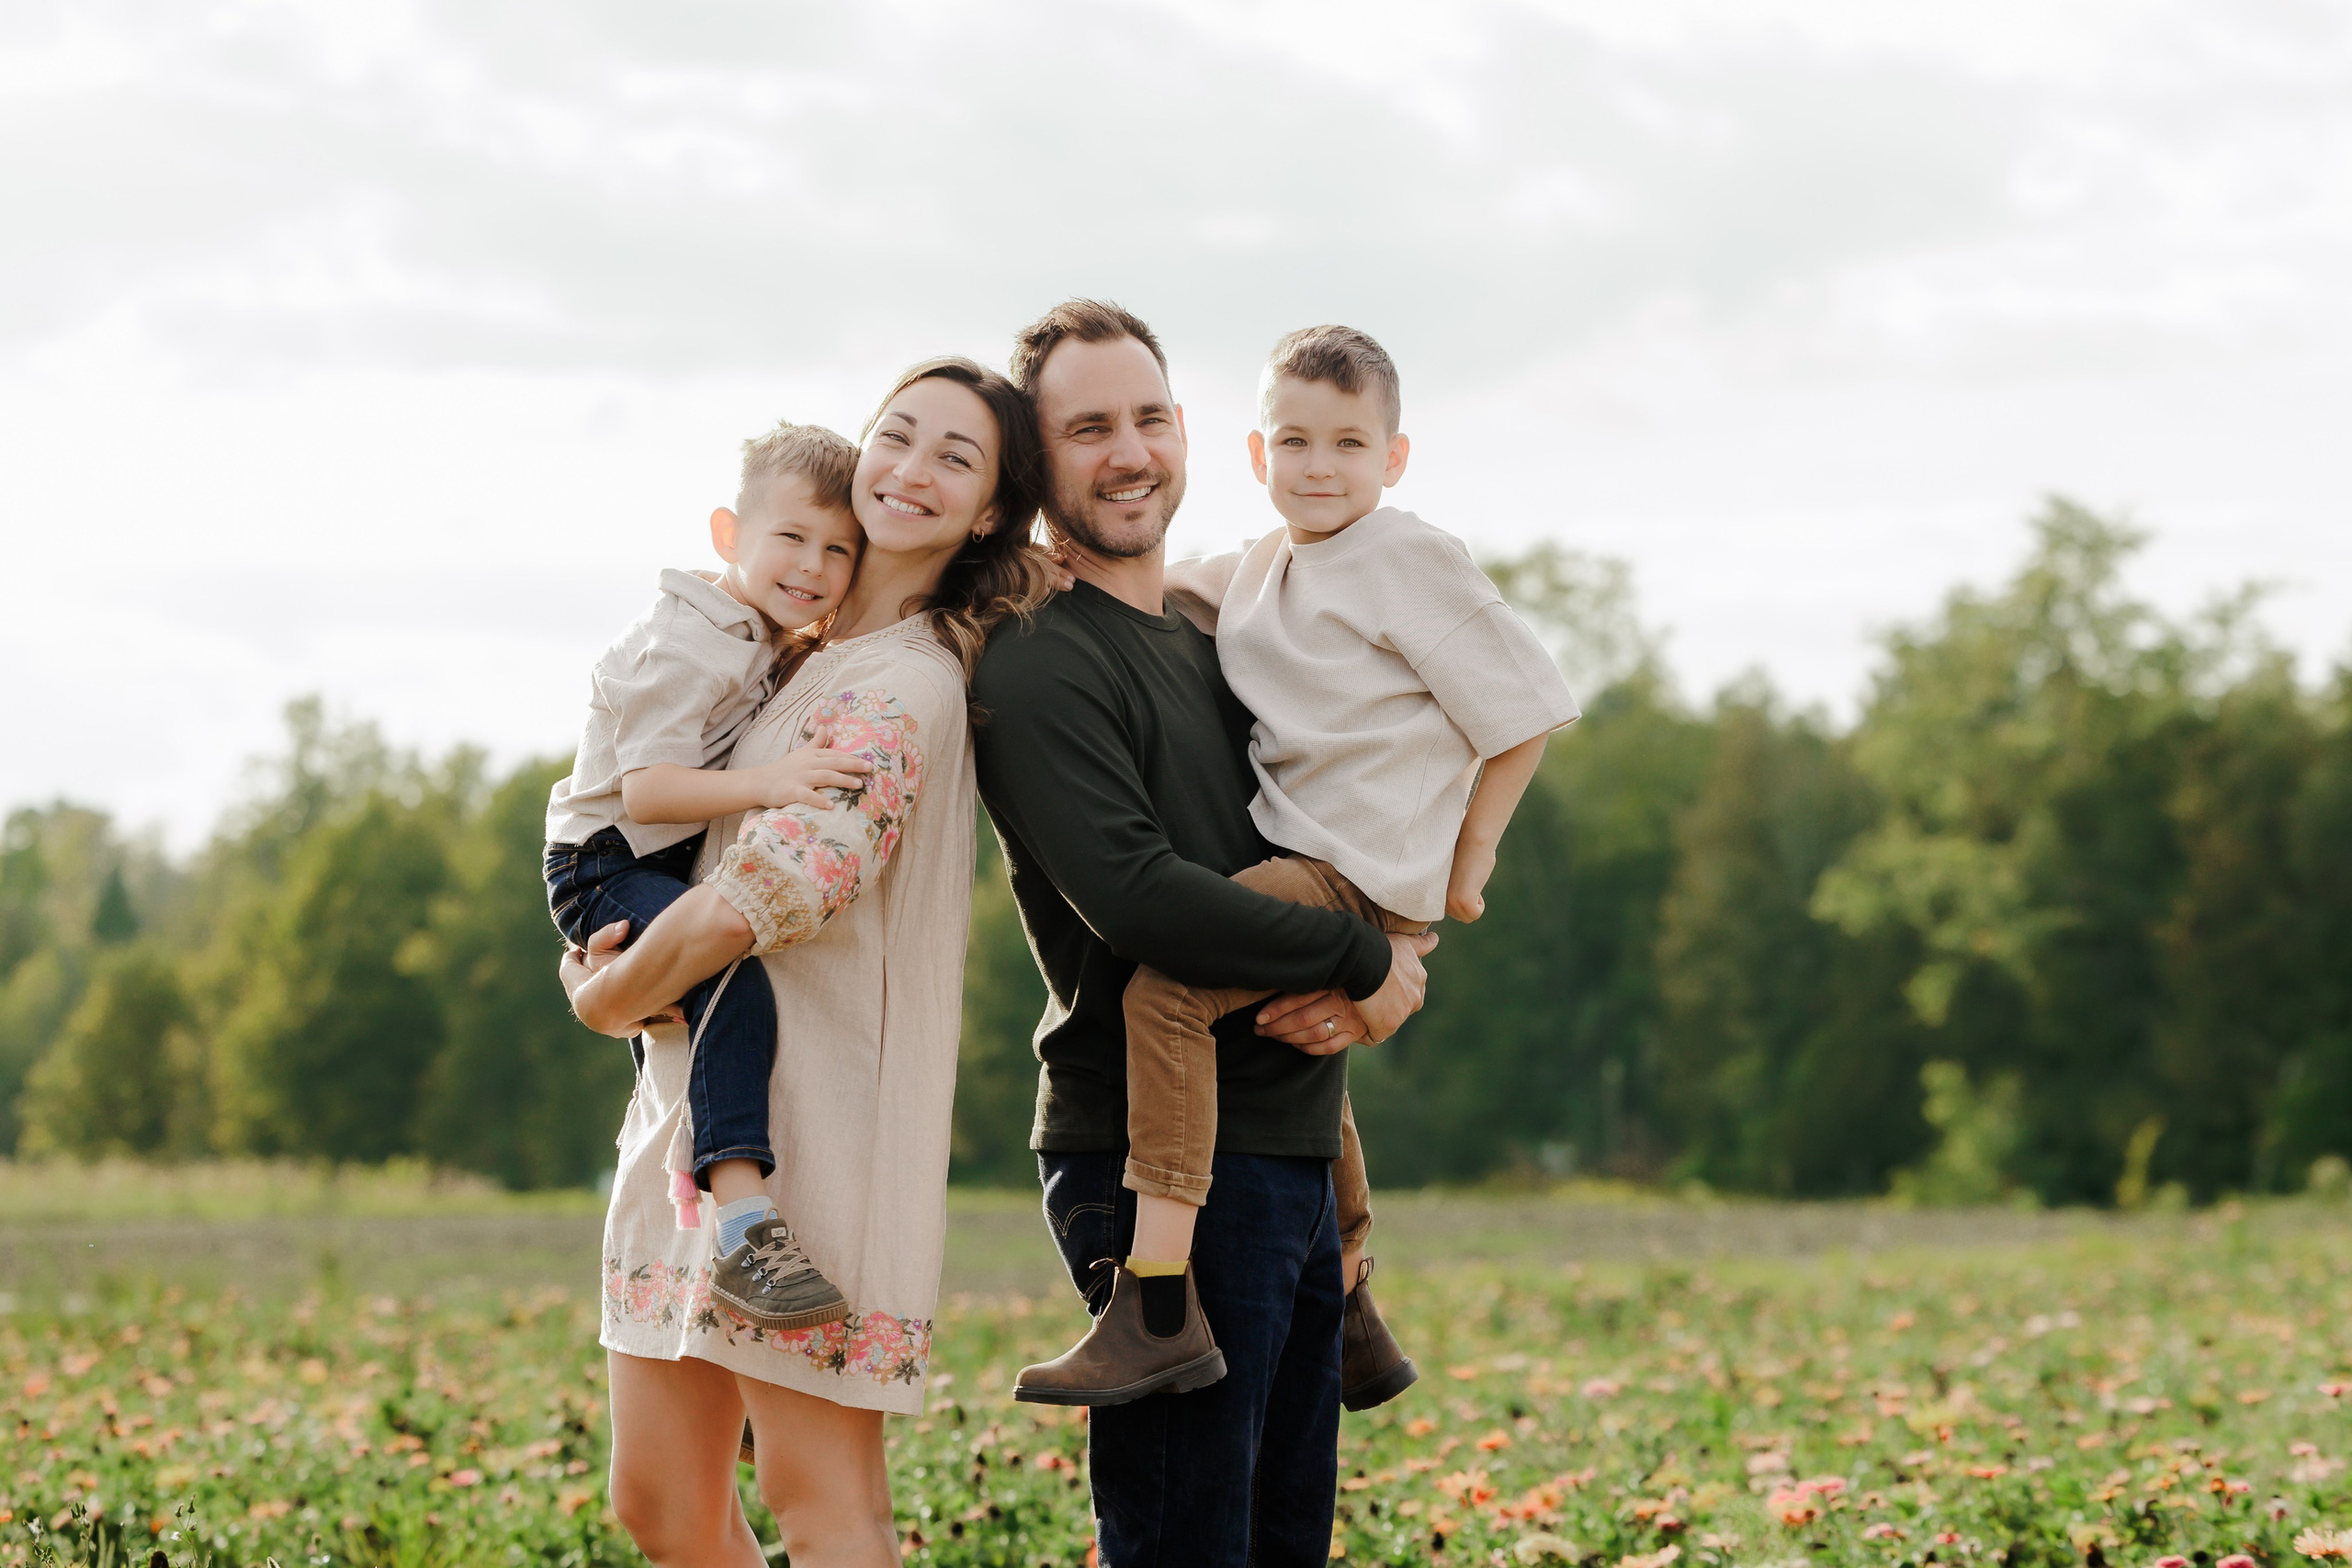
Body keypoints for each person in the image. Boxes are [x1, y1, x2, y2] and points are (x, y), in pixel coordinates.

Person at [1015, 323, 1580, 1410]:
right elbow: (1174, 587)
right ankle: (1352, 1291)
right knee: (1302, 1046)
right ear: (1255, 451)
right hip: (1316, 864)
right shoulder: (1268, 564)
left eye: (1348, 445)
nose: (1319, 468)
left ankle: (1154, 1301)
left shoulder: (1408, 556)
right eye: (1294, 442)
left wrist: (1463, 868)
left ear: (1394, 458)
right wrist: (1045, 564)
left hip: (1348, 869)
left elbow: (1526, 711)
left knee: (1167, 998)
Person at [969, 299, 1437, 1566]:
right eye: (1088, 429)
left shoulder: (1214, 632)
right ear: (1035, 460)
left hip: (1291, 1139)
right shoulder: (1036, 662)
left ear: (1184, 428)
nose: (1129, 452)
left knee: (1282, 1546)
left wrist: (1402, 959)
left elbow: (1349, 807)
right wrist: (1364, 960)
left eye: (1148, 417)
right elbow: (1140, 897)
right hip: (1153, 1162)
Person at [563, 357, 1052, 1568]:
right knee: (662, 1505)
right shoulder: (779, 654)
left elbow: (776, 887)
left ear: (989, 510)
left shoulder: (911, 679)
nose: (913, 469)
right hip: (687, 1116)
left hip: (819, 1130)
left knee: (819, 1496)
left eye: (955, 457)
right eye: (899, 434)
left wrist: (607, 994)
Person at [543, 420, 876, 1332]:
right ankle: (744, 1229)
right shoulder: (687, 641)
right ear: (729, 534)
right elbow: (649, 789)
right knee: (731, 975)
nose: (812, 564)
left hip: (654, 856)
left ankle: (696, 1228)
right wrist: (772, 782)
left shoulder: (756, 630)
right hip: (608, 860)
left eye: (838, 550)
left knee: (690, 1029)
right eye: (791, 537)